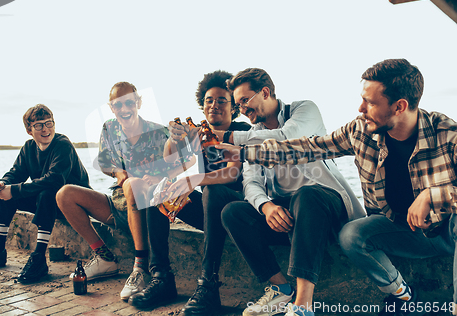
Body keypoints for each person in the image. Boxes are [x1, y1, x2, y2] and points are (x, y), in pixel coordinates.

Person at [216, 59, 457, 316]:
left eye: (371, 102)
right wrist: (243, 153)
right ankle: (402, 294)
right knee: (352, 234)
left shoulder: (446, 133)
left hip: (446, 232)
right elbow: (308, 147)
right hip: (399, 229)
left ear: (399, 107)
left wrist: (433, 195)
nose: (361, 108)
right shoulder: (360, 131)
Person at [207, 68, 365, 316]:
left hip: (325, 203)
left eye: (245, 101)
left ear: (266, 92)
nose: (242, 110)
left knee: (306, 194)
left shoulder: (304, 110)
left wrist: (226, 136)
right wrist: (266, 206)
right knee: (232, 212)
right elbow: (251, 182)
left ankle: (303, 305)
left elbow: (285, 137)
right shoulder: (252, 135)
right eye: (238, 105)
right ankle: (280, 287)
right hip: (290, 216)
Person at [127, 71, 251, 315]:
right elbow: (173, 163)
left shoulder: (240, 131)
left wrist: (196, 180)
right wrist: (174, 139)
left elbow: (233, 173)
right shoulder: (201, 133)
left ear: (233, 107)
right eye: (208, 100)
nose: (213, 105)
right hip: (209, 214)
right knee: (159, 191)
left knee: (212, 191)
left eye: (221, 100)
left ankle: (208, 287)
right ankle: (162, 278)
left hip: (237, 214)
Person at [56, 82, 194, 300]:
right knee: (64, 194)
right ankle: (104, 258)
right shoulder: (109, 128)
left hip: (150, 210)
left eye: (129, 102)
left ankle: (140, 268)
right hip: (119, 205)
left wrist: (161, 177)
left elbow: (190, 159)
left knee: (135, 184)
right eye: (117, 104)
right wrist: (116, 171)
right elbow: (103, 163)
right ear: (111, 107)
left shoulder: (159, 132)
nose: (124, 109)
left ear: (138, 102)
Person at [0, 104, 90, 284]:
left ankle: (39, 258)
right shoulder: (29, 147)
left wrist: (14, 190)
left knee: (47, 192)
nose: (45, 129)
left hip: (72, 205)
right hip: (49, 202)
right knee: (7, 191)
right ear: (29, 130)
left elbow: (54, 180)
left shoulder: (63, 145)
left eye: (49, 123)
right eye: (39, 125)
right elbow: (16, 172)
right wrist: (2, 184)